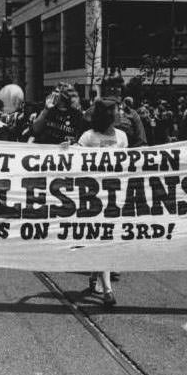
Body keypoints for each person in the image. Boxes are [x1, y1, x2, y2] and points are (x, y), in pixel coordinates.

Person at [77, 98, 126, 307]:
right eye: (117, 110)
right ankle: (107, 290)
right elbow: (74, 160)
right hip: (92, 196)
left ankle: (97, 277)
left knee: (106, 238)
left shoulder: (122, 136)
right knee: (101, 238)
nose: (121, 113)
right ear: (109, 114)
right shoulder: (88, 137)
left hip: (115, 195)